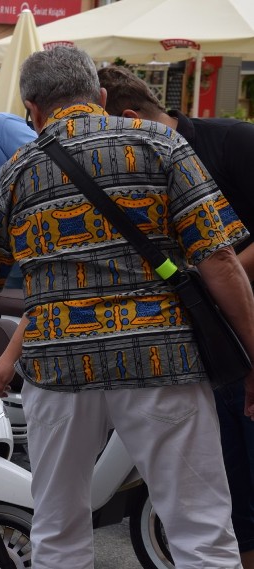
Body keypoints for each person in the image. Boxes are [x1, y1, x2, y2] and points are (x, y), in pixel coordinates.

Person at [0, 46, 254, 569]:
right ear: (98, 95)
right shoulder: (161, 144)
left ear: (32, 108)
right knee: (200, 529)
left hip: (59, 369)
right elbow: (221, 261)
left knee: (58, 528)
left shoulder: (15, 174)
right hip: (161, 360)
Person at [97, 63, 254, 568]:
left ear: (127, 117)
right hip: (203, 350)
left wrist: (210, 274)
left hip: (244, 333)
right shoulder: (132, 167)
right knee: (233, 499)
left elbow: (222, 258)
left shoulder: (232, 141)